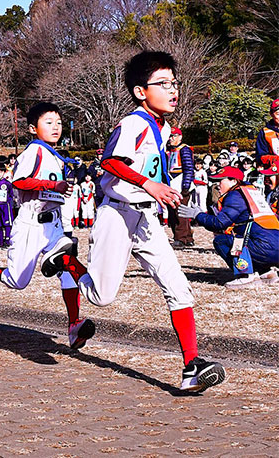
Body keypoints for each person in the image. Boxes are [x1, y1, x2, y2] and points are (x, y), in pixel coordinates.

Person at [52, 51, 225, 392]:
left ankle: (192, 365)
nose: (173, 89)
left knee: (178, 286)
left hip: (145, 216)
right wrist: (149, 183)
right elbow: (109, 162)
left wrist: (161, 191)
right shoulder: (134, 123)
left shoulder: (163, 127)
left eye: (174, 82)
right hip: (117, 212)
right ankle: (66, 260)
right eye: (163, 84)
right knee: (101, 297)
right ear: (140, 92)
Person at [0, 102, 94, 350]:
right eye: (49, 122)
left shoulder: (55, 154)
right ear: (32, 128)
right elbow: (19, 182)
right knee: (17, 281)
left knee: (66, 263)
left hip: (52, 223)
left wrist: (62, 191)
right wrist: (54, 187)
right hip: (30, 223)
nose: (56, 127)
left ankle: (74, 323)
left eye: (59, 123)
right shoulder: (34, 151)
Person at [180, 166, 279, 289]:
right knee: (242, 239)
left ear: (233, 181)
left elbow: (219, 223)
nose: (218, 185)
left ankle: (246, 275)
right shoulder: (251, 192)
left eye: (221, 180)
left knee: (221, 241)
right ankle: (266, 272)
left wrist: (198, 215)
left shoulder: (235, 195)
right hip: (274, 247)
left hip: (265, 248)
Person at [166, 127, 195, 247]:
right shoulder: (170, 150)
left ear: (180, 137)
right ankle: (187, 237)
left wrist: (186, 186)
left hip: (181, 184)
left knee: (180, 213)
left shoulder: (184, 149)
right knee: (174, 212)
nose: (171, 138)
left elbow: (189, 168)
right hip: (172, 184)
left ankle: (181, 238)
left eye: (173, 136)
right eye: (170, 136)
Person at [254, 98, 279, 171]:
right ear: (271, 114)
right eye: (278, 114)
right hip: (274, 171)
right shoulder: (265, 132)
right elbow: (260, 156)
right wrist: (274, 159)